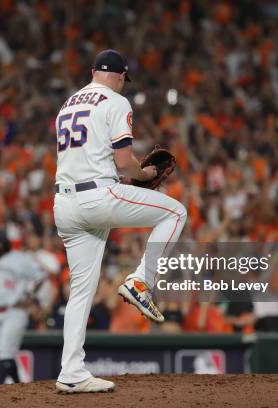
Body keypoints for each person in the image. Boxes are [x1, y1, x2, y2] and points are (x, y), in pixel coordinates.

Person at [53, 49, 187, 393]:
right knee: (175, 212)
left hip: (64, 203)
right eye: (125, 78)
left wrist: (122, 177)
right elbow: (124, 161)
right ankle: (141, 281)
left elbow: (96, 159)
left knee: (80, 291)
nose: (124, 84)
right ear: (120, 75)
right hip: (97, 197)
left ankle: (71, 371)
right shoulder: (115, 101)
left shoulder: (68, 103)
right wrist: (144, 174)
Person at [0, 230, 44, 384]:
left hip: (15, 310)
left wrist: (30, 297)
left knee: (4, 351)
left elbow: (40, 276)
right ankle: (18, 386)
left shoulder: (20, 259)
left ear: (5, 243)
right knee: (5, 353)